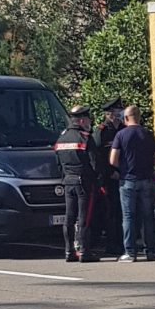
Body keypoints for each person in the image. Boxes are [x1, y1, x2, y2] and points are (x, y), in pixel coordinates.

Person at [109, 105, 155, 262]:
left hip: (127, 181)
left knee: (128, 216)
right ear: (139, 117)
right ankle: (151, 251)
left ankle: (130, 253)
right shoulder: (148, 134)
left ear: (126, 118)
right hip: (147, 180)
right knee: (148, 216)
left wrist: (123, 168)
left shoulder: (121, 135)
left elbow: (113, 159)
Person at [54, 105, 100, 263]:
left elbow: (58, 164)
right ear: (81, 120)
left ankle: (69, 251)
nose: (89, 122)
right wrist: (97, 180)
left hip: (68, 182)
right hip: (84, 183)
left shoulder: (61, 138)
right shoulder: (85, 137)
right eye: (87, 119)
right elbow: (95, 164)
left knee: (69, 217)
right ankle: (85, 252)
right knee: (84, 218)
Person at [90, 98, 126, 256]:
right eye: (117, 111)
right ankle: (111, 244)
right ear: (109, 114)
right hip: (108, 178)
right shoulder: (101, 132)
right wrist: (109, 173)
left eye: (120, 110)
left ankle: (122, 242)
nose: (119, 113)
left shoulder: (124, 129)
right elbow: (96, 157)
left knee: (122, 211)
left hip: (124, 175)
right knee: (111, 211)